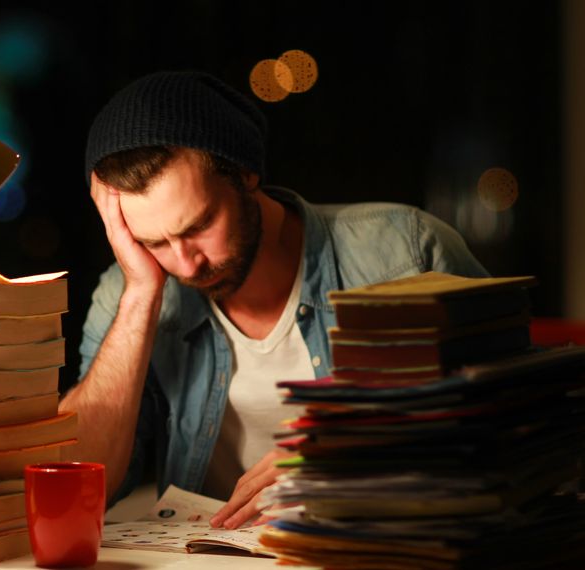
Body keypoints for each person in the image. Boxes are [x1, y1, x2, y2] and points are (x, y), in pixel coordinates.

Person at [57, 70, 489, 530]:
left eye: (198, 226)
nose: (184, 265)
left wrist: (349, 458)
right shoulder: (130, 293)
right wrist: (142, 294)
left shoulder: (406, 253)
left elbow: (521, 425)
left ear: (246, 173)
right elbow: (76, 488)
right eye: (153, 243)